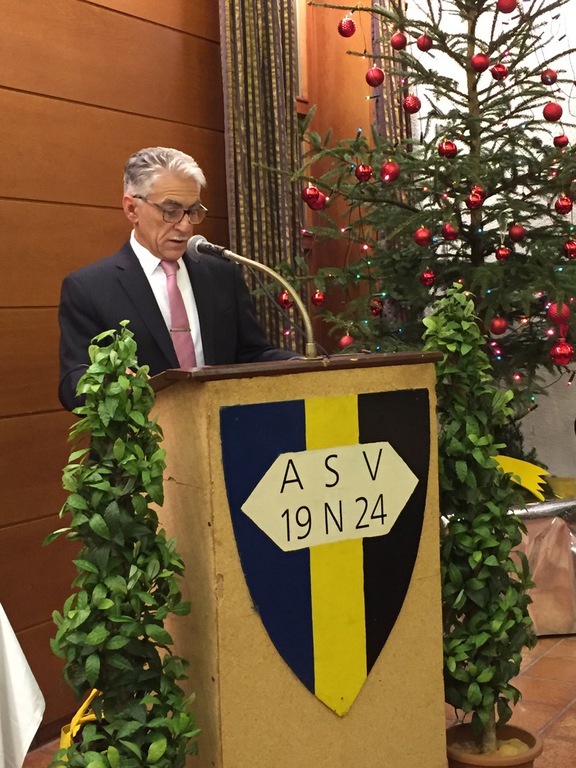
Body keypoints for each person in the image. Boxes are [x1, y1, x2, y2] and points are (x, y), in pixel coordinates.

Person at [58, 147, 298, 411]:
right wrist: (112, 383)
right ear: (132, 208)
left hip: (222, 429)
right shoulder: (90, 288)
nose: (185, 226)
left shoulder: (222, 274)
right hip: (144, 434)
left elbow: (251, 354)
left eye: (193, 211)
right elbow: (74, 382)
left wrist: (300, 364)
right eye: (170, 211)